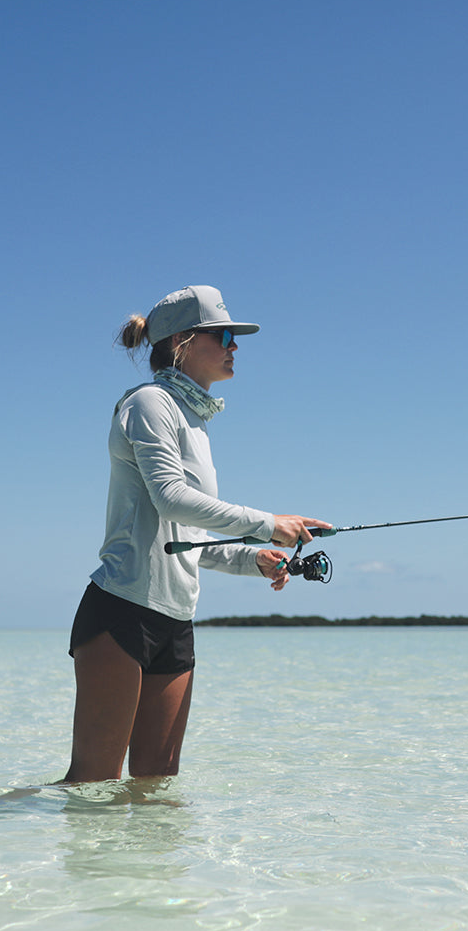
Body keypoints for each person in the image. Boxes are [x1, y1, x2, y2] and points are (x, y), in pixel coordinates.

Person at [61, 285, 330, 783]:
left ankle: (147, 868)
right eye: (223, 334)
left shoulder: (196, 422)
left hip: (175, 620)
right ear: (182, 340)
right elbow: (170, 498)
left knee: (158, 786)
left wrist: (255, 559)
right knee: (91, 785)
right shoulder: (149, 403)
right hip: (121, 611)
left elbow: (182, 533)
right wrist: (269, 524)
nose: (234, 345)